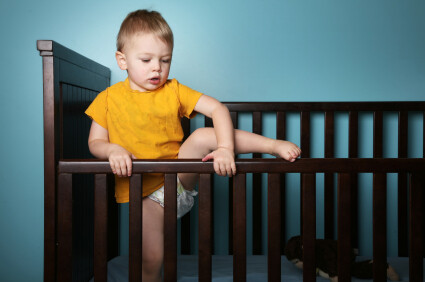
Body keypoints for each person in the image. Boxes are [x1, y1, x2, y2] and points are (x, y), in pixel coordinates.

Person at [85, 9, 301, 281]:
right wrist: (112, 150)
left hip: (177, 180)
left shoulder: (173, 90)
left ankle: (272, 145)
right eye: (146, 59)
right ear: (122, 60)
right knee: (151, 258)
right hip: (141, 194)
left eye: (165, 60)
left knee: (200, 137)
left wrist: (224, 148)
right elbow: (95, 142)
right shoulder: (107, 99)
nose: (157, 68)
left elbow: (218, 108)